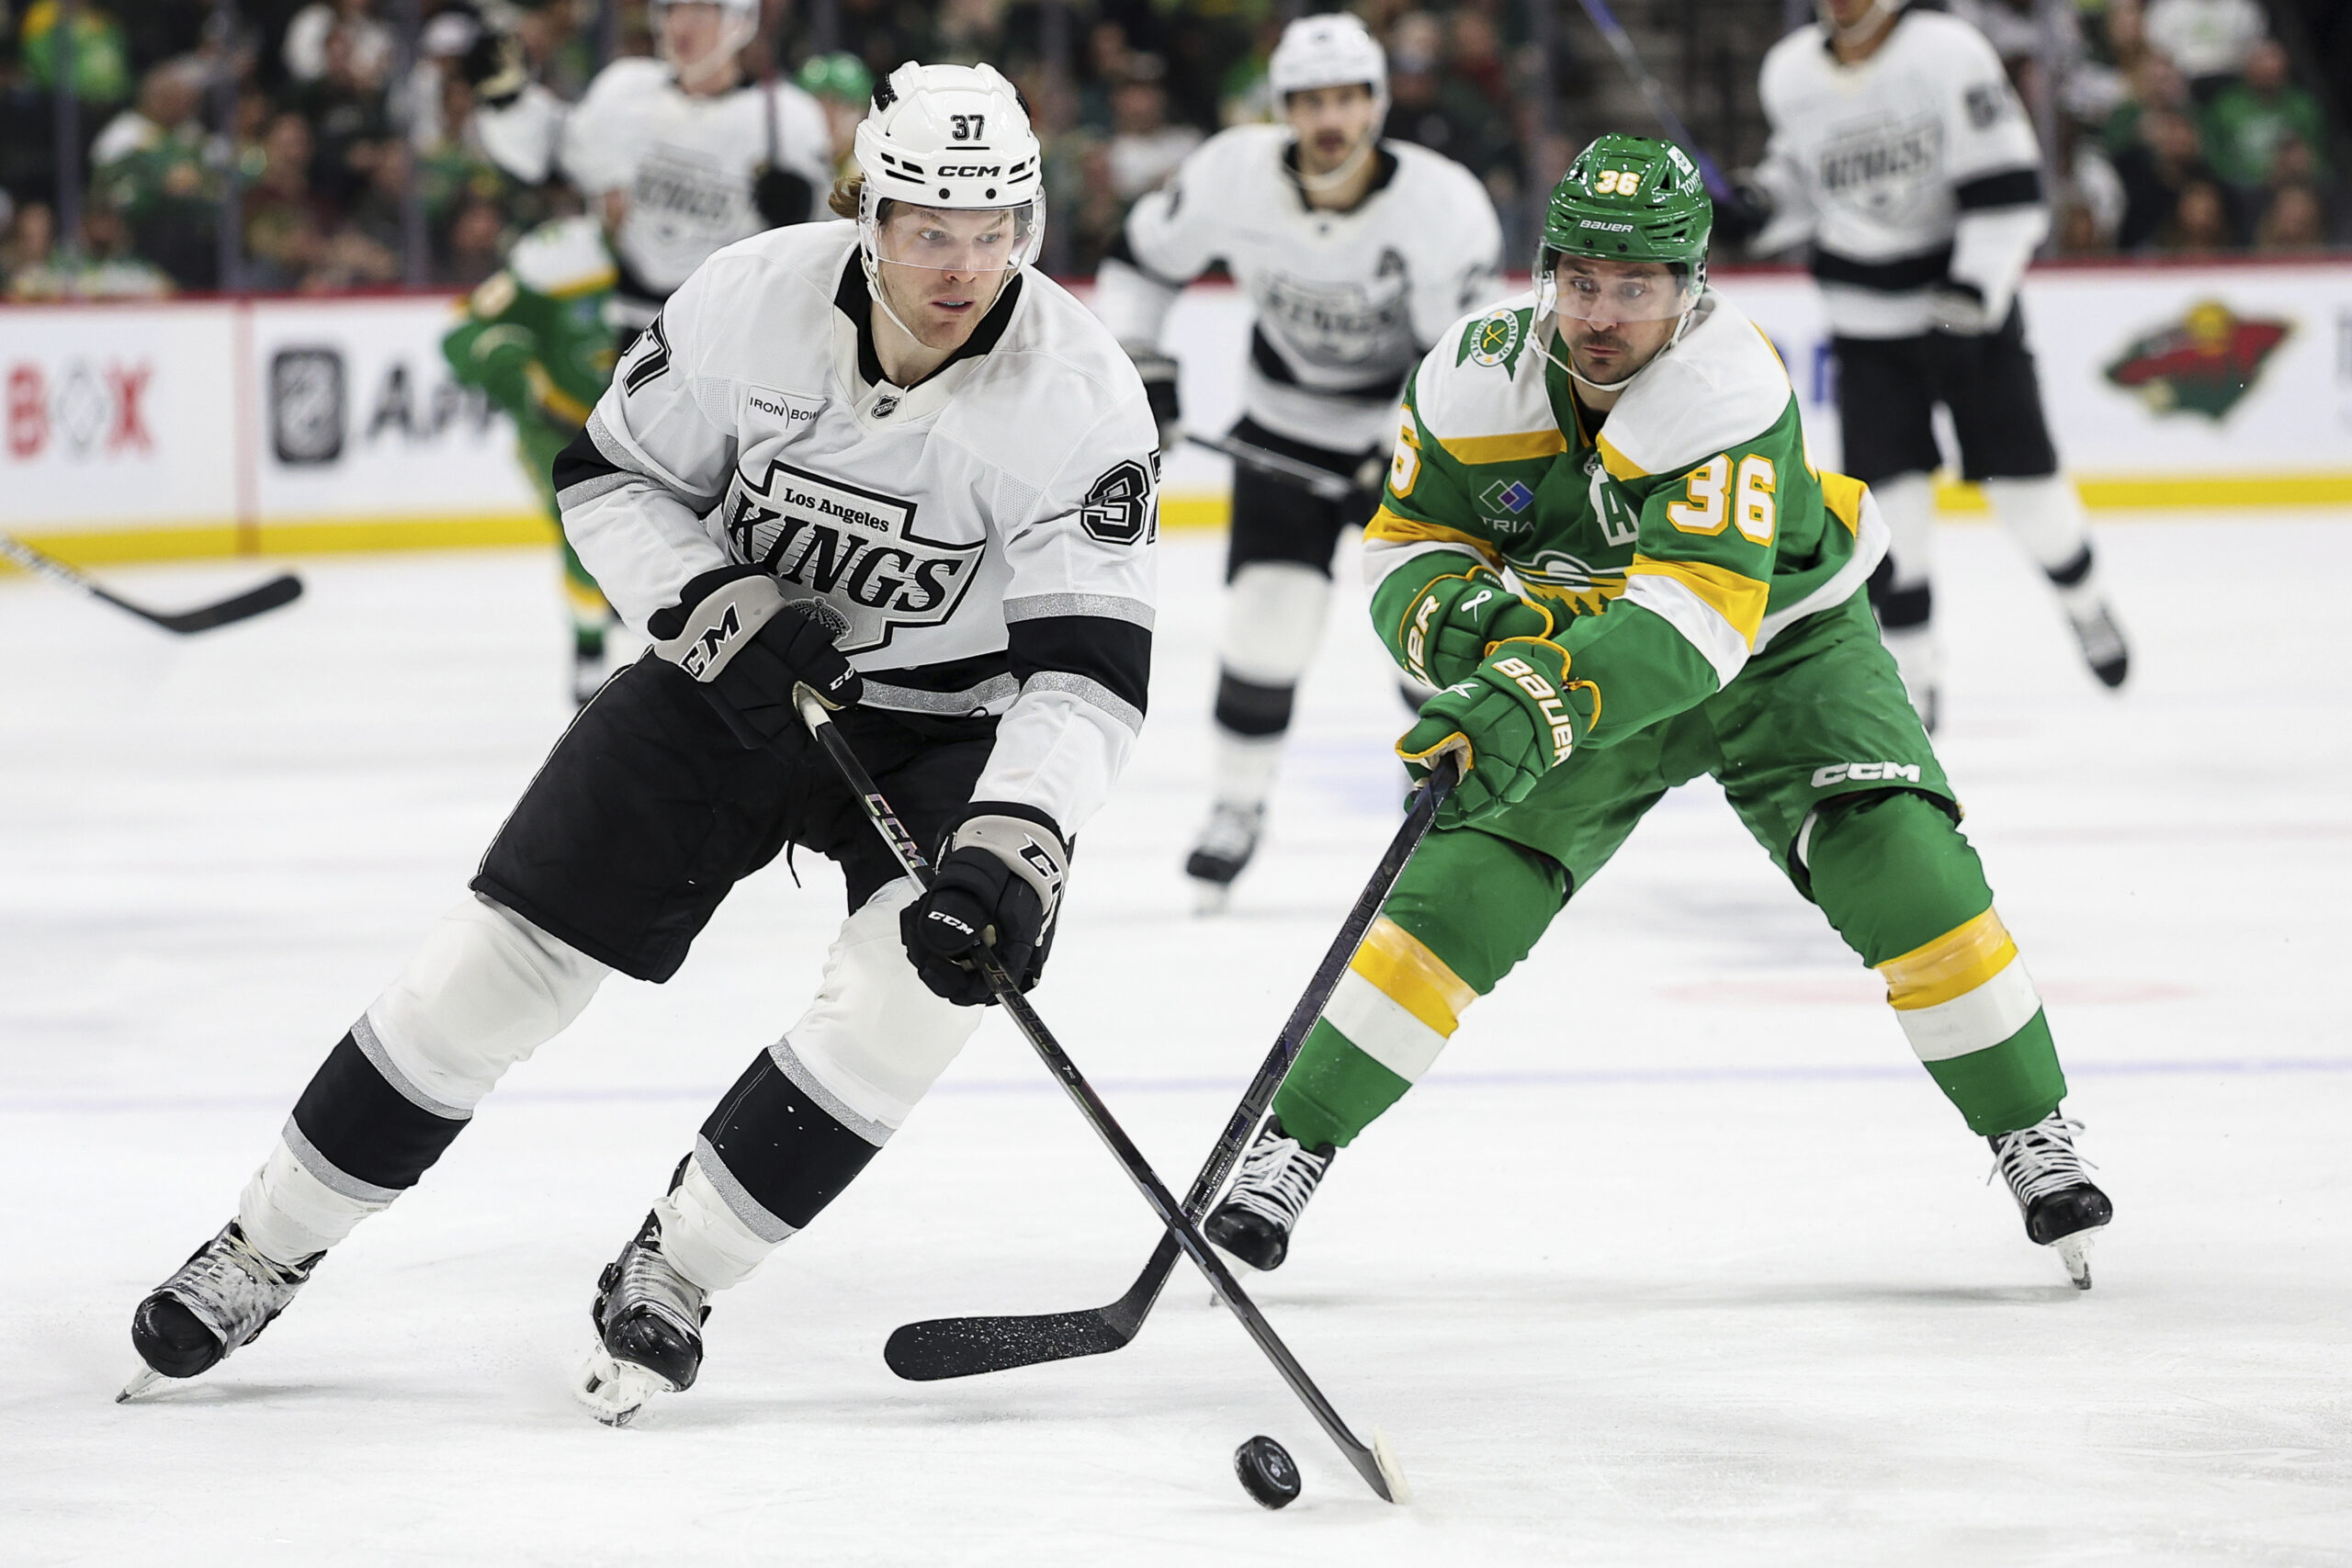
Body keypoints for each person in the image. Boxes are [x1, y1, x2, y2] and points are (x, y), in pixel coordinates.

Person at [124, 63, 1162, 1427]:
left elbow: (1086, 674)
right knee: (492, 968)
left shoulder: (1081, 396)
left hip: (945, 728)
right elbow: (610, 477)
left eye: (997, 227)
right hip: (723, 680)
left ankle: (678, 1271)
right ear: (870, 212)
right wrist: (715, 599)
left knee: (913, 996)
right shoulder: (747, 299)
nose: (967, 265)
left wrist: (1016, 840)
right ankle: (262, 1241)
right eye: (931, 229)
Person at [1204, 136, 2113, 1293]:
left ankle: (2029, 1130)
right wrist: (1461, 629)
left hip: (1779, 647)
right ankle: (1295, 1145)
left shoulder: (1729, 383)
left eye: (1636, 286)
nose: (1602, 314)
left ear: (1690, 288)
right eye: (1581, 280)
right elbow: (1407, 545)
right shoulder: (1469, 370)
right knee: (1456, 895)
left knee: (1896, 860)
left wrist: (1519, 701)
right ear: (1546, 274)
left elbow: (1692, 630)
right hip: (1585, 655)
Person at [1092, 11, 1502, 908]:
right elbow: (1138, 261)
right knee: (1266, 622)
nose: (1330, 120)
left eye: (1348, 98)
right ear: (1282, 107)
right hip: (1281, 424)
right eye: (1310, 100)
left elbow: (1471, 365)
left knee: (1425, 638)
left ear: (1377, 103)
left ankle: (1445, 805)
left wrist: (1409, 453)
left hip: (1402, 438)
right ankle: (1235, 809)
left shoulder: (1440, 204)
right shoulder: (1231, 176)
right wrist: (1145, 363)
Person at [1734, 0, 2129, 730]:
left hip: (1969, 318)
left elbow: (2012, 191)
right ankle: (1916, 684)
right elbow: (1802, 184)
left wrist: (1973, 293)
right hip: (1866, 330)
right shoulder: (1789, 72)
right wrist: (1756, 207)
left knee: (2030, 497)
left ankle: (2086, 603)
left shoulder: (1949, 52)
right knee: (1891, 521)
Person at [466, 0, 832, 354]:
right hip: (633, 329)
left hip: (732, 335)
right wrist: (507, 102)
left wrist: (803, 212)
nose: (681, 25)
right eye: (672, 9)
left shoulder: (789, 120)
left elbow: (834, 239)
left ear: (740, 21)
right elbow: (549, 152)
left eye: (701, 10)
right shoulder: (627, 91)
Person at [441, 214, 625, 703]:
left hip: (647, 426)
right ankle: (589, 649)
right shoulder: (557, 255)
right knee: (586, 531)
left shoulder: (702, 235)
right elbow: (464, 330)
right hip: (558, 430)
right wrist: (511, 374)